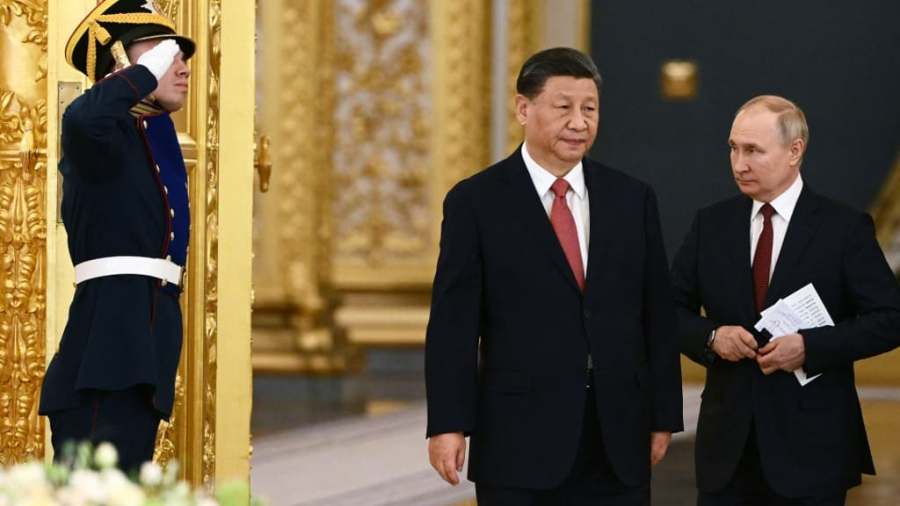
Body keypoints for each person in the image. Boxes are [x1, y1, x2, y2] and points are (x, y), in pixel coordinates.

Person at [425, 47, 683, 505]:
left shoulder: (631, 199)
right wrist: (448, 423)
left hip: (617, 435)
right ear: (523, 109)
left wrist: (663, 415)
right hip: (518, 437)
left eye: (590, 109)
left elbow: (656, 314)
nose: (579, 123)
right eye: (564, 107)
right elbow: (453, 324)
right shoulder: (476, 202)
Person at [671, 95, 900, 505]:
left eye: (753, 150)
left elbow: (890, 318)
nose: (739, 164)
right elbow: (667, 310)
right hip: (727, 454)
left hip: (813, 450)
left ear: (795, 151)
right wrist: (712, 337)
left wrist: (810, 347)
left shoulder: (844, 229)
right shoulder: (711, 225)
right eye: (733, 148)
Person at [39, 0, 195, 471]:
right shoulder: (98, 135)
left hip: (145, 343)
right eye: (162, 53)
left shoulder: (154, 133)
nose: (181, 67)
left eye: (179, 56)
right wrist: (142, 74)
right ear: (124, 63)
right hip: (105, 349)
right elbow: (84, 118)